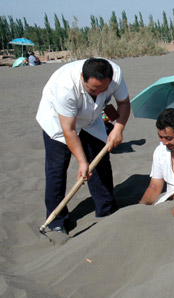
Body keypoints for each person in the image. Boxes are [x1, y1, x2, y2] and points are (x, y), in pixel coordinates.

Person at [36, 58, 131, 234]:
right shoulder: (65, 86)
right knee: (57, 170)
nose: (98, 94)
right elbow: (69, 130)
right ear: (82, 78)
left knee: (100, 162)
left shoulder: (115, 74)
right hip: (59, 122)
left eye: (103, 90)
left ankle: (106, 208)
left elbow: (124, 103)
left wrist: (118, 128)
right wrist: (81, 161)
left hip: (91, 119)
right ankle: (56, 220)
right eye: (93, 89)